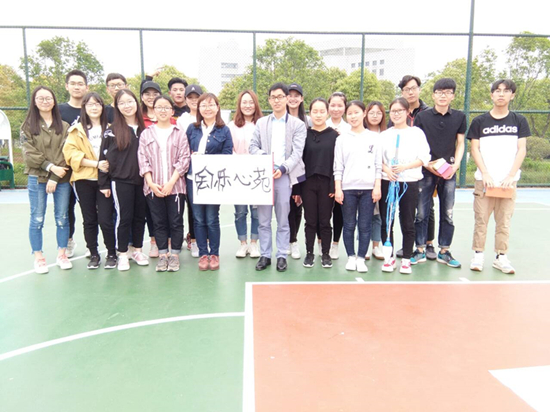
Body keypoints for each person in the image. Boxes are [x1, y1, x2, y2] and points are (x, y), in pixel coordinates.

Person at [467, 79, 529, 274]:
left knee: (504, 221)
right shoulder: (479, 121)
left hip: (507, 183)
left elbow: (522, 149)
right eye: (497, 90)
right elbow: (475, 149)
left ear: (512, 95)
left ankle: (501, 257)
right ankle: (478, 255)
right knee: (481, 220)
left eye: (506, 91)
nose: (501, 94)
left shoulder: (519, 121)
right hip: (484, 181)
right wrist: (485, 173)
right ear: (491, 95)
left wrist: (511, 175)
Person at [249, 82, 306, 272]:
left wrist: (283, 168)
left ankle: (281, 255)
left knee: (283, 219)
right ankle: (265, 255)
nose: (277, 100)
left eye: (280, 97)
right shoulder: (261, 123)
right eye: (273, 97)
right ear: (269, 100)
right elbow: (252, 146)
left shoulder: (298, 125)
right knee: (263, 220)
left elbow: (297, 153)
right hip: (264, 176)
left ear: (287, 99)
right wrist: (265, 161)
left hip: (284, 176)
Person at [412, 78, 466, 268]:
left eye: (448, 92)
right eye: (440, 92)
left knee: (447, 212)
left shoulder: (459, 117)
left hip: (448, 172)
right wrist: (427, 164)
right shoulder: (422, 117)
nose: (443, 96)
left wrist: (455, 166)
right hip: (426, 171)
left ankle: (444, 251)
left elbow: (461, 143)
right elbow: (417, 144)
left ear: (453, 96)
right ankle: (419, 249)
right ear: (433, 95)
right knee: (421, 212)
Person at [21, 86, 72, 274]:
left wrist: (55, 177)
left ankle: (62, 254)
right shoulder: (27, 126)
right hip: (37, 178)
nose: (45, 101)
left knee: (62, 218)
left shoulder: (64, 126)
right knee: (37, 218)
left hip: (61, 179)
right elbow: (28, 154)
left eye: (48, 98)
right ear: (34, 101)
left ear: (54, 101)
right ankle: (39, 257)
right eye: (40, 98)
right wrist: (50, 167)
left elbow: (67, 152)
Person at [63, 92, 117, 270]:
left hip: (105, 181)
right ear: (84, 108)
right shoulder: (76, 130)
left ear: (102, 107)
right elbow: (70, 154)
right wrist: (96, 164)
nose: (94, 107)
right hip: (83, 180)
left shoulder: (111, 129)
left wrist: (106, 168)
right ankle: (94, 254)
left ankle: (111, 253)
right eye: (90, 104)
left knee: (106, 219)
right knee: (89, 219)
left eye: (97, 104)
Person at [138, 95, 191, 272]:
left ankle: (174, 255)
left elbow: (184, 159)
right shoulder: (146, 134)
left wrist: (171, 183)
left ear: (172, 111)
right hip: (153, 188)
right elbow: (142, 160)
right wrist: (151, 183)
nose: (162, 110)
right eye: (159, 107)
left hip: (176, 187)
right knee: (158, 222)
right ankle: (162, 255)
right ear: (153, 110)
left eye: (166, 107)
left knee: (175, 222)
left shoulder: (179, 133)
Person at [99, 89, 149, 271]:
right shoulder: (111, 131)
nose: (127, 106)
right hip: (121, 181)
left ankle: (137, 250)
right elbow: (103, 159)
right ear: (117, 107)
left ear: (137, 103)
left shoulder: (145, 130)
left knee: (140, 217)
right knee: (124, 217)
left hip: (142, 181)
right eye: (122, 103)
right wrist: (103, 183)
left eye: (130, 101)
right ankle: (122, 254)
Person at [379, 97, 430, 274]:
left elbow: (424, 158)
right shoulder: (384, 135)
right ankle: (389, 258)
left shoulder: (417, 133)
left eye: (400, 110)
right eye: (393, 111)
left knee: (408, 221)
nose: (396, 114)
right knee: (387, 221)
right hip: (388, 182)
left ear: (407, 112)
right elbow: (377, 159)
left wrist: (404, 167)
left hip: (409, 182)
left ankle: (406, 259)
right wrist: (387, 169)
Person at [186, 93, 233, 271]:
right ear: (198, 109)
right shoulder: (192, 129)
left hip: (213, 181)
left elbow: (228, 154)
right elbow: (184, 151)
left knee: (212, 218)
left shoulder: (224, 130)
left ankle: (214, 254)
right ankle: (203, 253)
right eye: (203, 105)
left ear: (217, 107)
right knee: (198, 219)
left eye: (211, 104)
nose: (207, 108)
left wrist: (206, 159)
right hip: (193, 180)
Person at [392, 75, 437, 260]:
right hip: (401, 173)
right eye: (406, 89)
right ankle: (408, 246)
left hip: (424, 168)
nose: (410, 92)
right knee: (407, 212)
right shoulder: (396, 114)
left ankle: (428, 244)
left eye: (413, 88)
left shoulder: (427, 113)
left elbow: (428, 143)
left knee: (426, 208)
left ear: (419, 89)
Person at [334, 100, 381, 273]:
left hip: (368, 189)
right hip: (348, 189)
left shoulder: (374, 138)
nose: (353, 116)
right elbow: (338, 166)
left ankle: (361, 258)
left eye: (356, 112)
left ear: (364, 113)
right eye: (350, 113)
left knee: (365, 225)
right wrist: (338, 188)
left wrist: (377, 186)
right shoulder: (341, 139)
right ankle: (351, 257)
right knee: (349, 225)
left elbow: (378, 165)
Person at [301, 98, 339, 269]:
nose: (318, 115)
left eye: (322, 111)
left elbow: (337, 163)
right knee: (310, 220)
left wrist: (333, 185)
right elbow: (299, 161)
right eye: (314, 111)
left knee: (325, 221)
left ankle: (325, 254)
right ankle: (309, 253)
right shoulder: (304, 134)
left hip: (326, 184)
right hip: (307, 183)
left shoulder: (334, 136)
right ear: (310, 113)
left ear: (327, 113)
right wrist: (297, 189)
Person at [228, 90, 263, 259]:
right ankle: (243, 243)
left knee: (256, 212)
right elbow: (229, 149)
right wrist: (239, 161)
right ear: (239, 105)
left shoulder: (262, 124)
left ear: (255, 104)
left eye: (251, 102)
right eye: (244, 102)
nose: (248, 105)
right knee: (240, 212)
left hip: (257, 174)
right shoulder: (231, 126)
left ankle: (254, 243)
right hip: (238, 174)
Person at [59, 69, 89, 258]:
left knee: (89, 210)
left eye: (80, 84)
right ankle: (68, 240)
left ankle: (91, 244)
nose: (77, 87)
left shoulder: (92, 108)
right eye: (73, 83)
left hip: (88, 168)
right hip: (65, 168)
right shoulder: (59, 110)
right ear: (67, 86)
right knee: (66, 208)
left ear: (86, 87)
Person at [323, 91, 351, 260]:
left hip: (343, 175)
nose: (336, 108)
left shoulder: (349, 128)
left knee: (339, 212)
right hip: (324, 175)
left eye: (339, 105)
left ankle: (335, 244)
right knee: (323, 212)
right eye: (332, 105)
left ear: (345, 107)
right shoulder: (321, 124)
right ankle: (322, 242)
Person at [177, 84, 203, 258]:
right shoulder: (182, 120)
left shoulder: (208, 116)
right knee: (191, 207)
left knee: (206, 210)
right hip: (188, 169)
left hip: (207, 170)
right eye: (190, 98)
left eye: (197, 97)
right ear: (186, 100)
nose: (194, 101)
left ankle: (204, 240)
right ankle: (193, 240)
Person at [286, 83, 309, 260]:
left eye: (296, 95)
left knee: (296, 205)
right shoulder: (280, 120)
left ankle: (294, 242)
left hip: (301, 172)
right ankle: (288, 240)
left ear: (301, 99)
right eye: (290, 95)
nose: (293, 99)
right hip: (283, 170)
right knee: (284, 208)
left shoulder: (307, 121)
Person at [364, 101, 387, 261]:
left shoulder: (387, 134)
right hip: (364, 179)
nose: (375, 116)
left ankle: (376, 246)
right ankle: (363, 245)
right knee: (364, 214)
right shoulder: (361, 132)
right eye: (371, 112)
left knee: (378, 214)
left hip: (383, 179)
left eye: (378, 113)